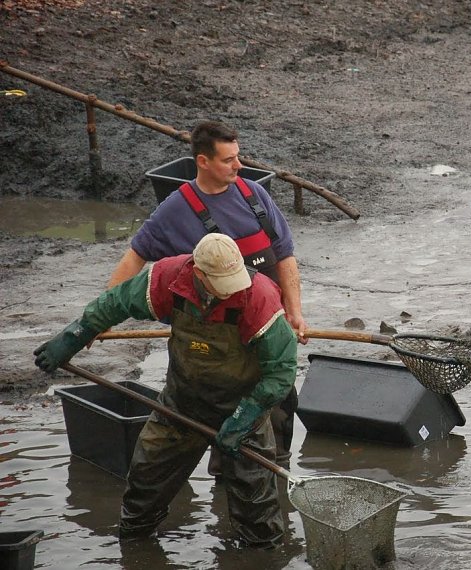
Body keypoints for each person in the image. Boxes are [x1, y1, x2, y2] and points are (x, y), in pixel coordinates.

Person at [35, 233, 297, 547]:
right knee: (144, 485)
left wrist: (244, 418)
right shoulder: (170, 278)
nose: (233, 288)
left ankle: (259, 554)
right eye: (222, 282)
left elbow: (281, 372)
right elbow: (116, 302)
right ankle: (136, 544)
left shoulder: (259, 297)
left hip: (243, 407)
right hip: (180, 403)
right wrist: (77, 333)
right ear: (199, 274)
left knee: (258, 513)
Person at [106, 119, 305, 466]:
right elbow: (135, 256)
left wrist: (295, 312)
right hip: (218, 352)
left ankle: (276, 478)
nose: (239, 166)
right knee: (226, 440)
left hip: (266, 335)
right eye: (229, 160)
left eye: (238, 157)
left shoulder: (254, 195)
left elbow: (285, 256)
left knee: (276, 427)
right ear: (203, 161)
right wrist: (104, 313)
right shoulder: (175, 209)